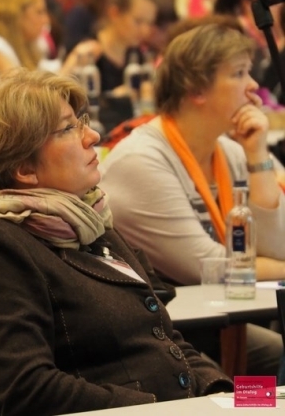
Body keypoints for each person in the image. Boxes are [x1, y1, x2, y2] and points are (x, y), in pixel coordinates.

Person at [0, 69, 233, 415]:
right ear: (24, 168)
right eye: (67, 129)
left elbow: (168, 341)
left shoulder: (91, 224)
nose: (92, 136)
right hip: (145, 412)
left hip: (186, 407)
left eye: (81, 122)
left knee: (267, 396)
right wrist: (164, 410)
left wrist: (226, 395)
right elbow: (30, 391)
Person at [101, 24, 285, 375]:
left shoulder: (232, 151)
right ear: (196, 89)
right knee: (269, 368)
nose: (253, 86)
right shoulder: (141, 161)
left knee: (278, 360)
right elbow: (210, 267)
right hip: (154, 342)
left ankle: (253, 401)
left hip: (219, 324)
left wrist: (258, 156)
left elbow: (279, 246)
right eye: (238, 73)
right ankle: (246, 401)